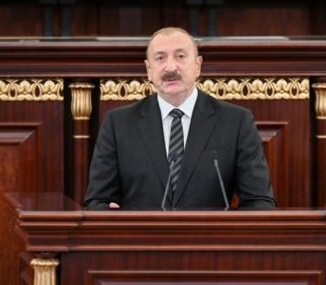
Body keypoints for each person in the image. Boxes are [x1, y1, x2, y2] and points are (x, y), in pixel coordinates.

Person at [84, 27, 276, 210]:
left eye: (180, 56)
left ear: (198, 65)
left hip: (211, 233)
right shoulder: (118, 124)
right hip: (141, 234)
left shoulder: (236, 122)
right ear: (148, 69)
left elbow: (259, 201)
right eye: (160, 58)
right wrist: (108, 216)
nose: (170, 67)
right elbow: (98, 200)